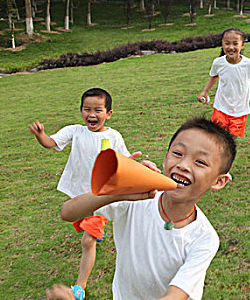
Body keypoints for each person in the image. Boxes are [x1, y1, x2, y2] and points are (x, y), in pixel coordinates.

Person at [46, 117, 236, 300]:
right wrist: (119, 192)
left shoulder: (204, 239)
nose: (183, 165)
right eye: (178, 153)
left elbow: (174, 295)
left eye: (200, 162)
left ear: (219, 181)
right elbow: (68, 213)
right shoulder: (136, 200)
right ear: (165, 158)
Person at [30, 88, 136, 300]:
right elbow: (51, 143)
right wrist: (41, 135)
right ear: (81, 112)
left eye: (98, 110)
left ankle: (80, 287)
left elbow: (124, 160)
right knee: (84, 230)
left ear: (109, 113)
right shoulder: (75, 131)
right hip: (79, 195)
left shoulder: (113, 136)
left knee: (88, 241)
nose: (92, 114)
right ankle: (95, 231)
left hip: (102, 198)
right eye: (87, 109)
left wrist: (131, 163)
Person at [198, 27, 250, 137]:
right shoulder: (218, 63)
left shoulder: (249, 64)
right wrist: (205, 91)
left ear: (242, 45)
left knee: (231, 139)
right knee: (218, 136)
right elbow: (214, 76)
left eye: (235, 43)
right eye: (227, 43)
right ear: (222, 44)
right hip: (221, 107)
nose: (231, 47)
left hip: (240, 110)